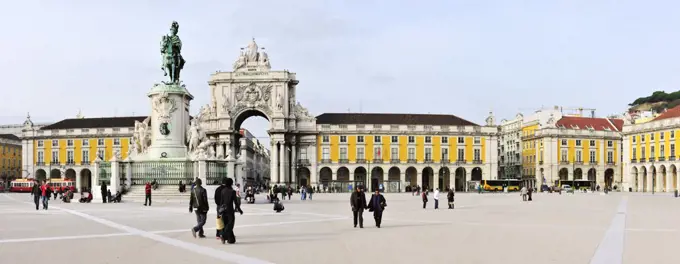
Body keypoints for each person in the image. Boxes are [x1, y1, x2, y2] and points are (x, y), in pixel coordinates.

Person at [218, 178, 243, 244]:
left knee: (226, 224)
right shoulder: (232, 191)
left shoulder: (223, 191)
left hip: (224, 211)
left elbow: (221, 202)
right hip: (230, 211)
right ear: (231, 183)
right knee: (230, 225)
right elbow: (236, 202)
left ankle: (230, 239)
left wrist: (219, 211)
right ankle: (223, 235)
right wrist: (239, 210)